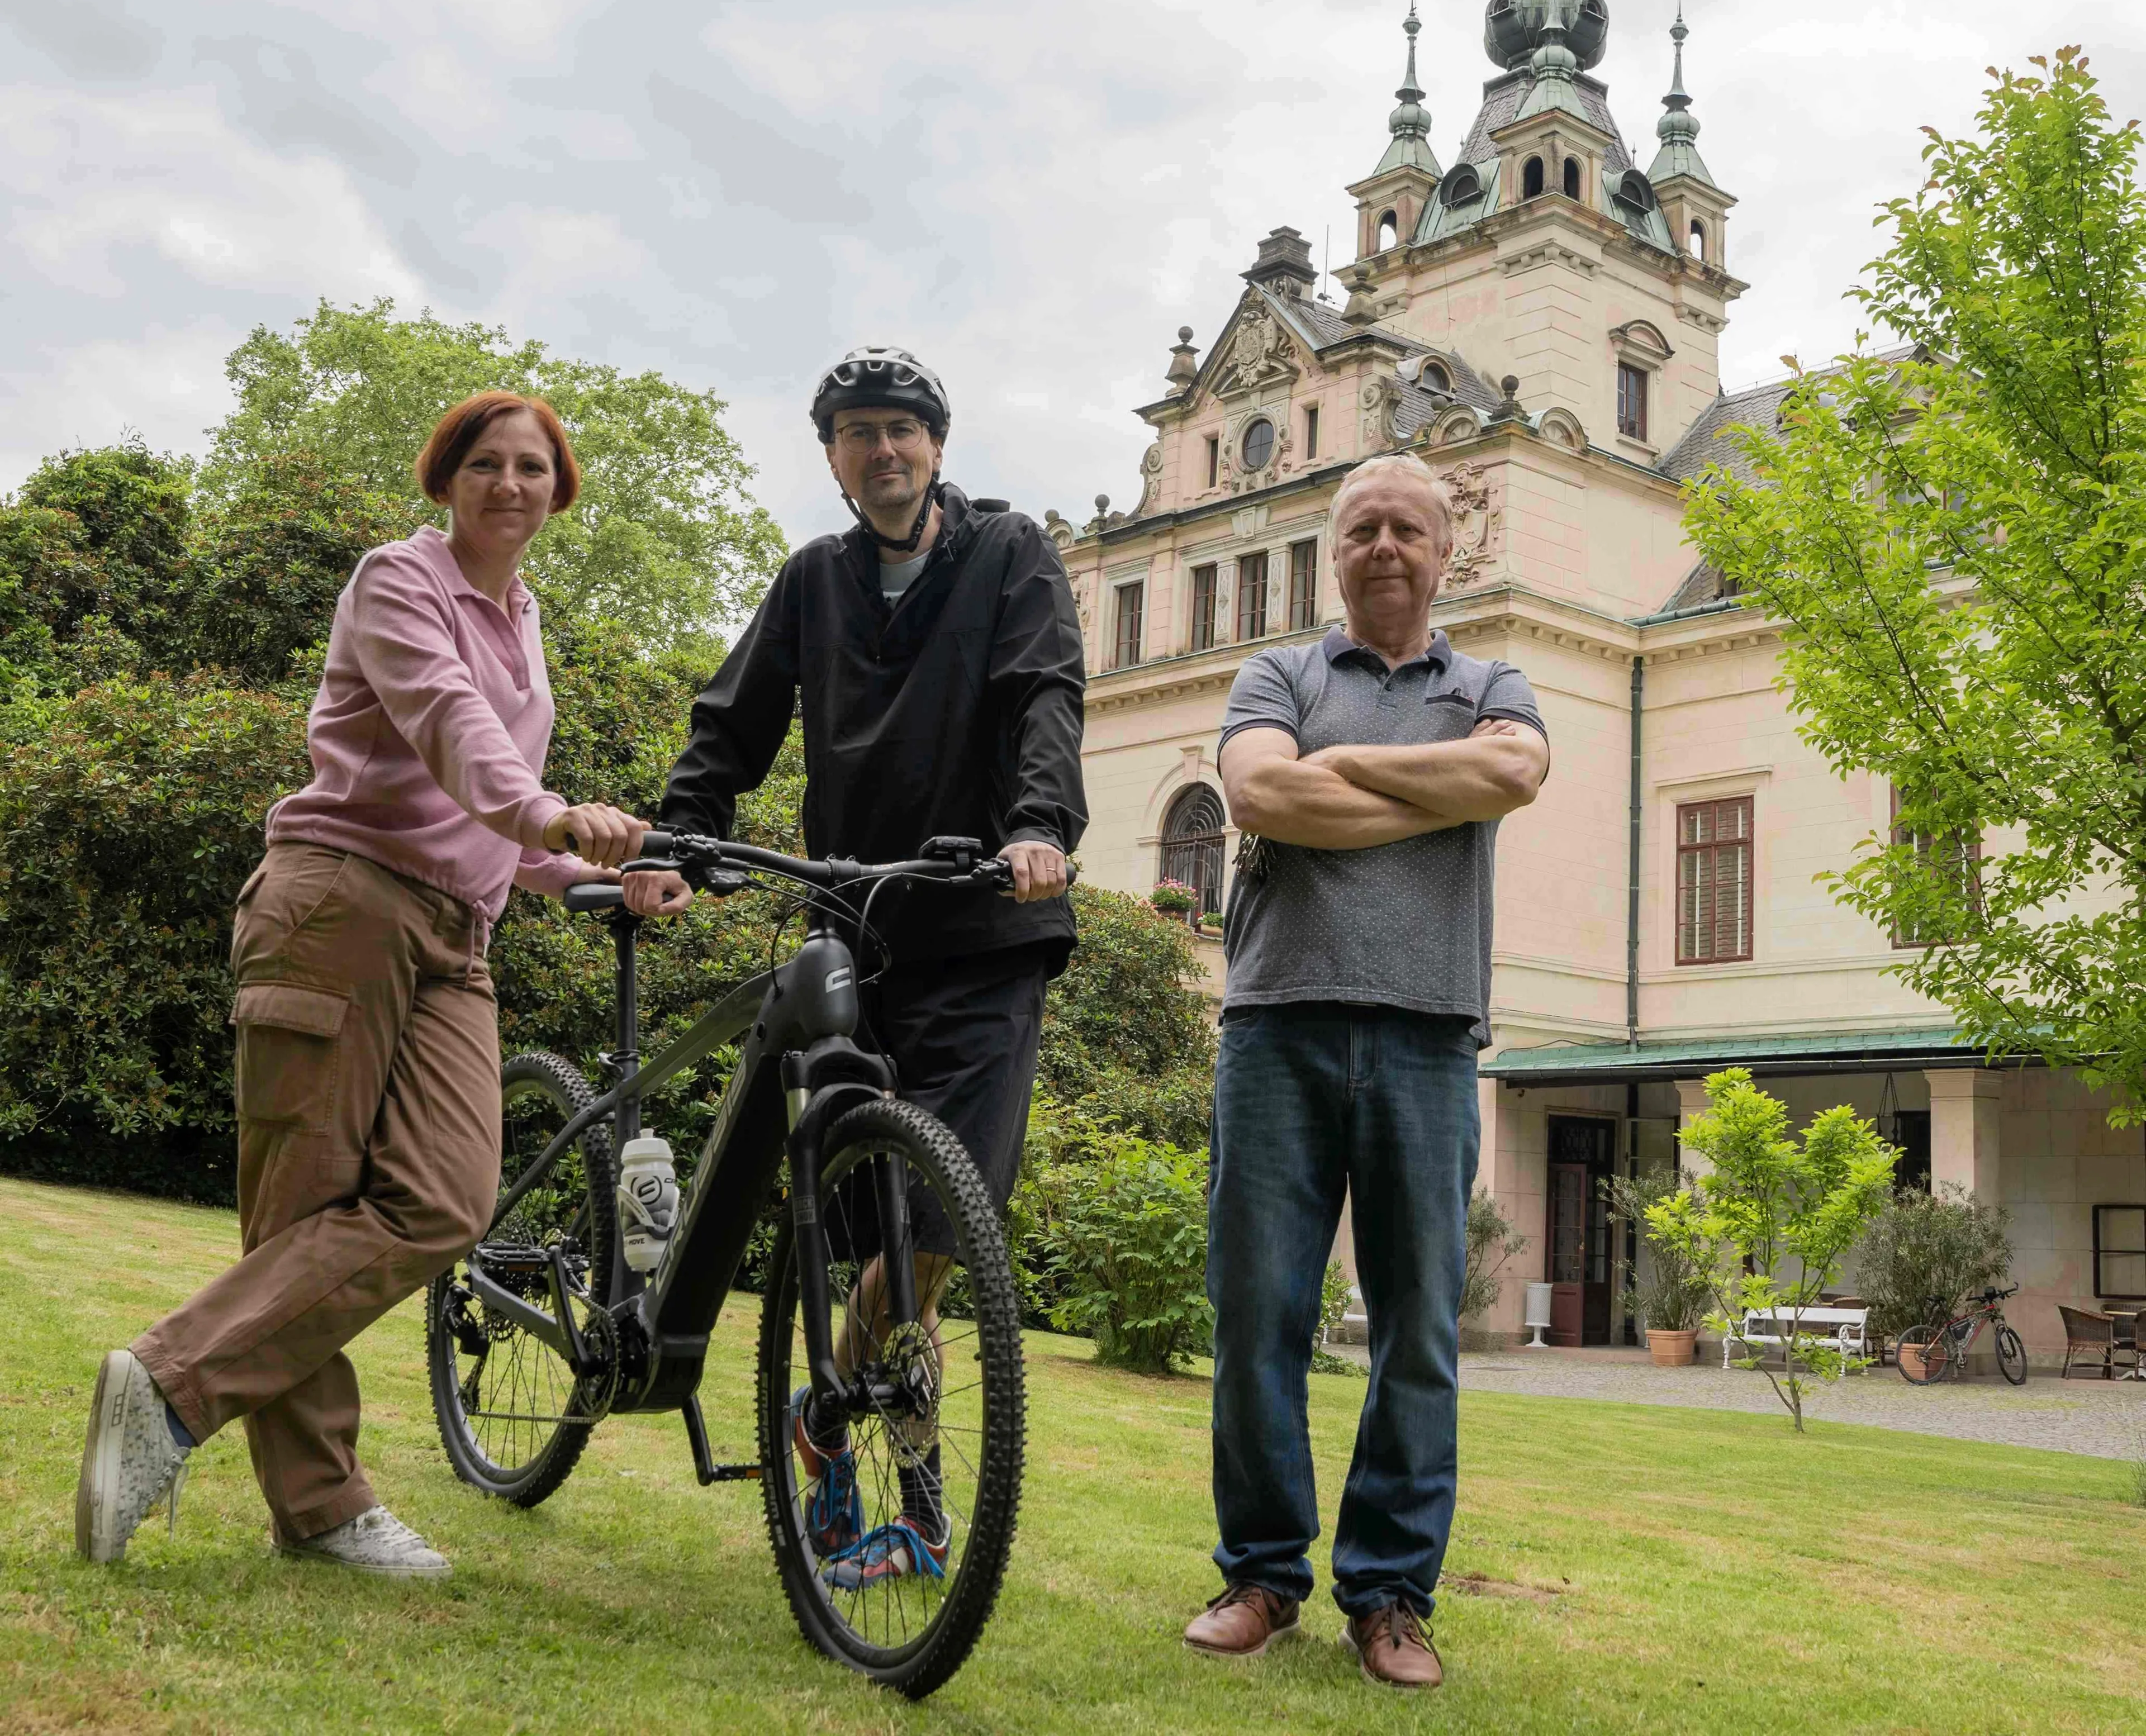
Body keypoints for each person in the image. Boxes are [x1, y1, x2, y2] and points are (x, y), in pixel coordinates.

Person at [76, 392, 657, 1578]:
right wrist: (545, 809)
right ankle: (321, 1509)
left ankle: (171, 1385)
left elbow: (488, 808)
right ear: (446, 479)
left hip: (457, 935)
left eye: (533, 467)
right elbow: (450, 730)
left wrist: (594, 875)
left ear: (560, 490)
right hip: (341, 902)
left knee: (443, 1202)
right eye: (485, 464)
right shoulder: (399, 580)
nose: (510, 483)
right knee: (301, 1210)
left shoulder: (524, 616)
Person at [621, 344, 1086, 1590]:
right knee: (869, 1228)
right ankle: (916, 1508)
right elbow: (734, 720)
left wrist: (1041, 827)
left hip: (987, 926)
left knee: (941, 1217)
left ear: (940, 444)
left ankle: (822, 1421)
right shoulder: (814, 582)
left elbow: (1044, 691)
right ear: (834, 457)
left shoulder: (1009, 555)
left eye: (904, 430)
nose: (885, 450)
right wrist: (680, 839)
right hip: (856, 930)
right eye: (860, 433)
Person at [1185, 452, 1549, 1689]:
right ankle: (1261, 1577)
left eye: (1409, 529)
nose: (1385, 546)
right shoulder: (1276, 671)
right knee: (1258, 1318)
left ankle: (1391, 1597)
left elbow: (1514, 773)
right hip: (1277, 1027)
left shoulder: (1494, 680)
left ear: (1449, 553)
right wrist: (1430, 795)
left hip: (1431, 1036)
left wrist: (1334, 777)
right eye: (1362, 529)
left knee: (1418, 1331)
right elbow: (1257, 795)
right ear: (1333, 550)